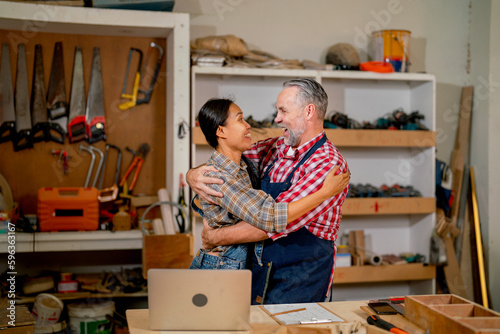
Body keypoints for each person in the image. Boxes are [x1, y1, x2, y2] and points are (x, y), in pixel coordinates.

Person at [187, 78, 349, 305]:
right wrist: (193, 174)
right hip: (260, 273)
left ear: (309, 111)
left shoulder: (327, 165)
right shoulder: (275, 148)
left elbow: (268, 223)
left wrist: (214, 237)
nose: (277, 118)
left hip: (301, 278)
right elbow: (229, 159)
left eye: (283, 110)